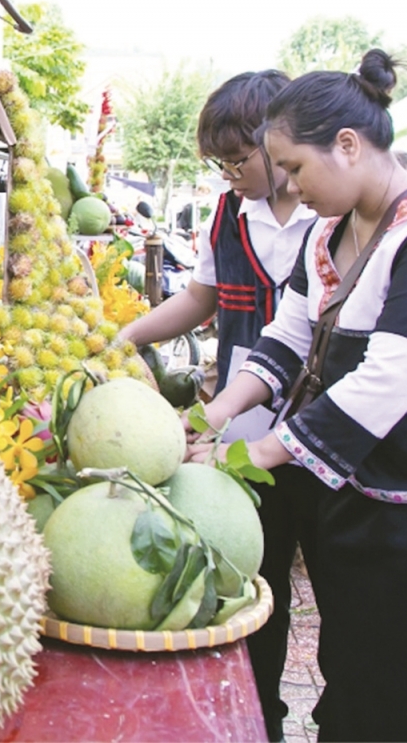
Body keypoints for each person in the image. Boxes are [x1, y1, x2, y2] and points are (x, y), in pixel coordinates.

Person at [189, 49, 407, 741]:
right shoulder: (327, 233)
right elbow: (287, 340)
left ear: (347, 145)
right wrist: (212, 415)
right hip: (363, 499)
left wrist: (248, 456)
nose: (288, 185)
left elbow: (381, 386)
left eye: (294, 168)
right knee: (358, 688)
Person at [118, 69, 320, 743]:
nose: (231, 176)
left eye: (240, 160)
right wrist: (125, 336)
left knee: (334, 580)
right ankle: (263, 719)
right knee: (256, 580)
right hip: (242, 426)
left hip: (325, 429)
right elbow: (200, 299)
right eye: (221, 165)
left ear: (281, 143)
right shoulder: (229, 216)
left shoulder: (333, 211)